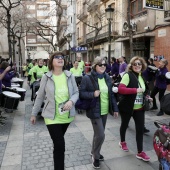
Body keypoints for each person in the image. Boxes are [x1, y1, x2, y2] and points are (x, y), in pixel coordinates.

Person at [30, 52, 79, 170]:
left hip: (67, 116)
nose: (60, 59)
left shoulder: (69, 75)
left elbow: (76, 92)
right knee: (59, 144)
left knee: (58, 143)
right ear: (51, 61)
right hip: (51, 117)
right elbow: (40, 96)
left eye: (62, 57)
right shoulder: (46, 77)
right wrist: (34, 113)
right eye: (57, 57)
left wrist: (71, 101)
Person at [79, 56, 119, 169]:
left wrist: (115, 109)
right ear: (95, 66)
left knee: (98, 134)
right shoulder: (88, 78)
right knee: (101, 134)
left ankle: (94, 151)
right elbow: (81, 93)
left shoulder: (107, 77)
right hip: (94, 110)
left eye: (104, 65)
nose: (103, 67)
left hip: (105, 110)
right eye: (100, 65)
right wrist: (92, 94)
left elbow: (111, 95)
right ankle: (96, 157)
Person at [118, 56, 152, 162]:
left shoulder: (142, 77)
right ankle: (122, 142)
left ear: (142, 66)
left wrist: (147, 96)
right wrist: (136, 90)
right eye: (135, 64)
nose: (137, 66)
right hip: (127, 106)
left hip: (139, 108)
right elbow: (121, 89)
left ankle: (140, 152)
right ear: (131, 66)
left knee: (140, 130)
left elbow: (144, 91)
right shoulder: (128, 75)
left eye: (139, 64)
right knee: (124, 124)